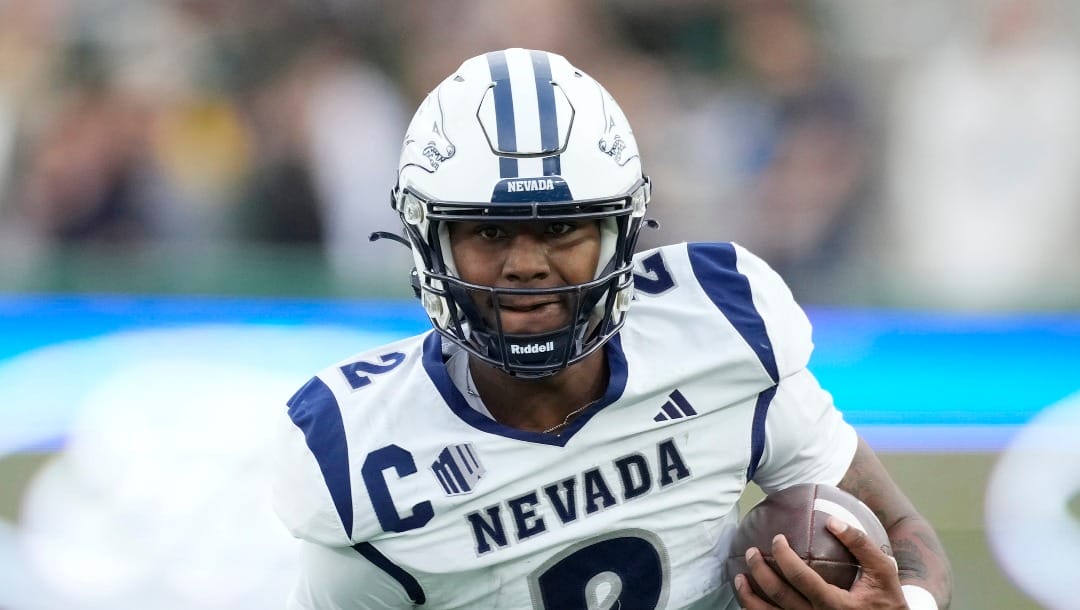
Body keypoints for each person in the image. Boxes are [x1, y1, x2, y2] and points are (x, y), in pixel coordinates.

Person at [271, 48, 952, 609]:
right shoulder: (365, 462)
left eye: (562, 227)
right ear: (429, 242)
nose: (527, 266)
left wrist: (905, 606)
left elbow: (897, 530)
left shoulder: (720, 330)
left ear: (621, 231)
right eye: (486, 230)